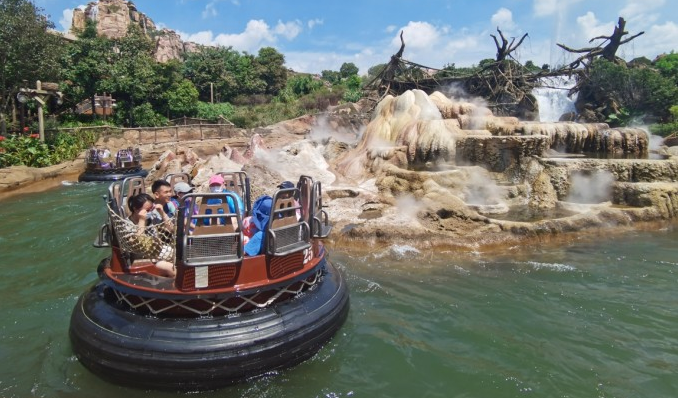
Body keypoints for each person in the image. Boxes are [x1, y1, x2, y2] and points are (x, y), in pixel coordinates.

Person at [126, 193, 175, 278]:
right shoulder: (127, 224)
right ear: (135, 209)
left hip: (158, 252)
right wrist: (142, 221)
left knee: (182, 258)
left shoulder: (152, 217)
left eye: (151, 209)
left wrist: (162, 213)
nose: (150, 212)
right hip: (141, 259)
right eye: (147, 210)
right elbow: (137, 244)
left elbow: (172, 229)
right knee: (171, 270)